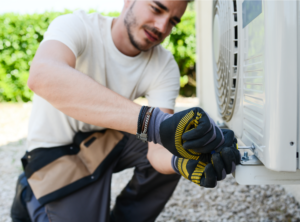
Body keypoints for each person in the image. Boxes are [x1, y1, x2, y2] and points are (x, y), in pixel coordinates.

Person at [11, 0, 240, 222]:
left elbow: (157, 150)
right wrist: (154, 123)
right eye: (156, 8)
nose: (162, 27)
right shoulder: (78, 25)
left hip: (104, 141)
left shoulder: (163, 64)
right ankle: (29, 190)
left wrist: (183, 162)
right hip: (54, 153)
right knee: (161, 127)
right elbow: (42, 75)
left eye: (172, 21)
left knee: (180, 142)